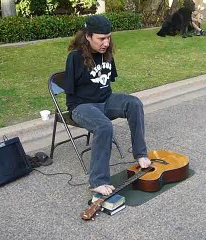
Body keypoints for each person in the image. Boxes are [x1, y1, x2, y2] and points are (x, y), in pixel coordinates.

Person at [64, 15, 151, 196]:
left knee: (134, 103)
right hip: (82, 106)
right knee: (104, 126)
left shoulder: (107, 54)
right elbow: (70, 92)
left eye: (108, 37)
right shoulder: (75, 58)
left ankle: (141, 154)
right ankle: (98, 181)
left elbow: (107, 82)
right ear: (88, 37)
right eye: (101, 38)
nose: (106, 42)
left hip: (106, 100)